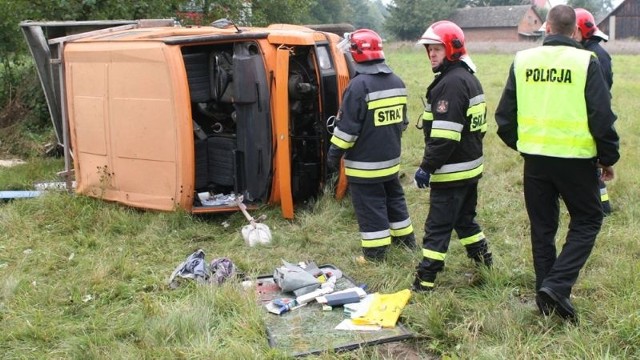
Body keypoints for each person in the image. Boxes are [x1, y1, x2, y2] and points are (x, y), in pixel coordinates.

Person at [495, 5, 620, 322]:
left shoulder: (523, 61)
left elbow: (504, 118)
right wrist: (608, 158)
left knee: (542, 229)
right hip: (576, 161)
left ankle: (546, 294)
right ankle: (556, 286)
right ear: (575, 32)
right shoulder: (585, 61)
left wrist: (525, 147)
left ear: (547, 29)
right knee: (589, 220)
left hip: (535, 160)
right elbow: (601, 118)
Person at [411, 20, 492, 292]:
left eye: (437, 49)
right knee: (464, 219)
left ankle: (424, 281)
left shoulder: (452, 84)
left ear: (452, 49)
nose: (432, 54)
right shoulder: (467, 77)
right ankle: (484, 261)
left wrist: (426, 167)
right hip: (469, 168)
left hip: (452, 171)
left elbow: (445, 136)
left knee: (437, 228)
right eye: (429, 49)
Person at [326, 29, 415, 262]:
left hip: (365, 166)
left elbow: (346, 131)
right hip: (391, 162)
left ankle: (375, 255)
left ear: (357, 54)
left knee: (370, 206)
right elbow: (402, 123)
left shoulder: (358, 86)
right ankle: (406, 242)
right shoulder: (397, 81)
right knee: (395, 199)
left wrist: (333, 156)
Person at [575, 7, 614, 215]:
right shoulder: (596, 52)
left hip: (592, 115)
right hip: (592, 114)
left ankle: (603, 208)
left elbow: (600, 92)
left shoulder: (593, 55)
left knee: (592, 166)